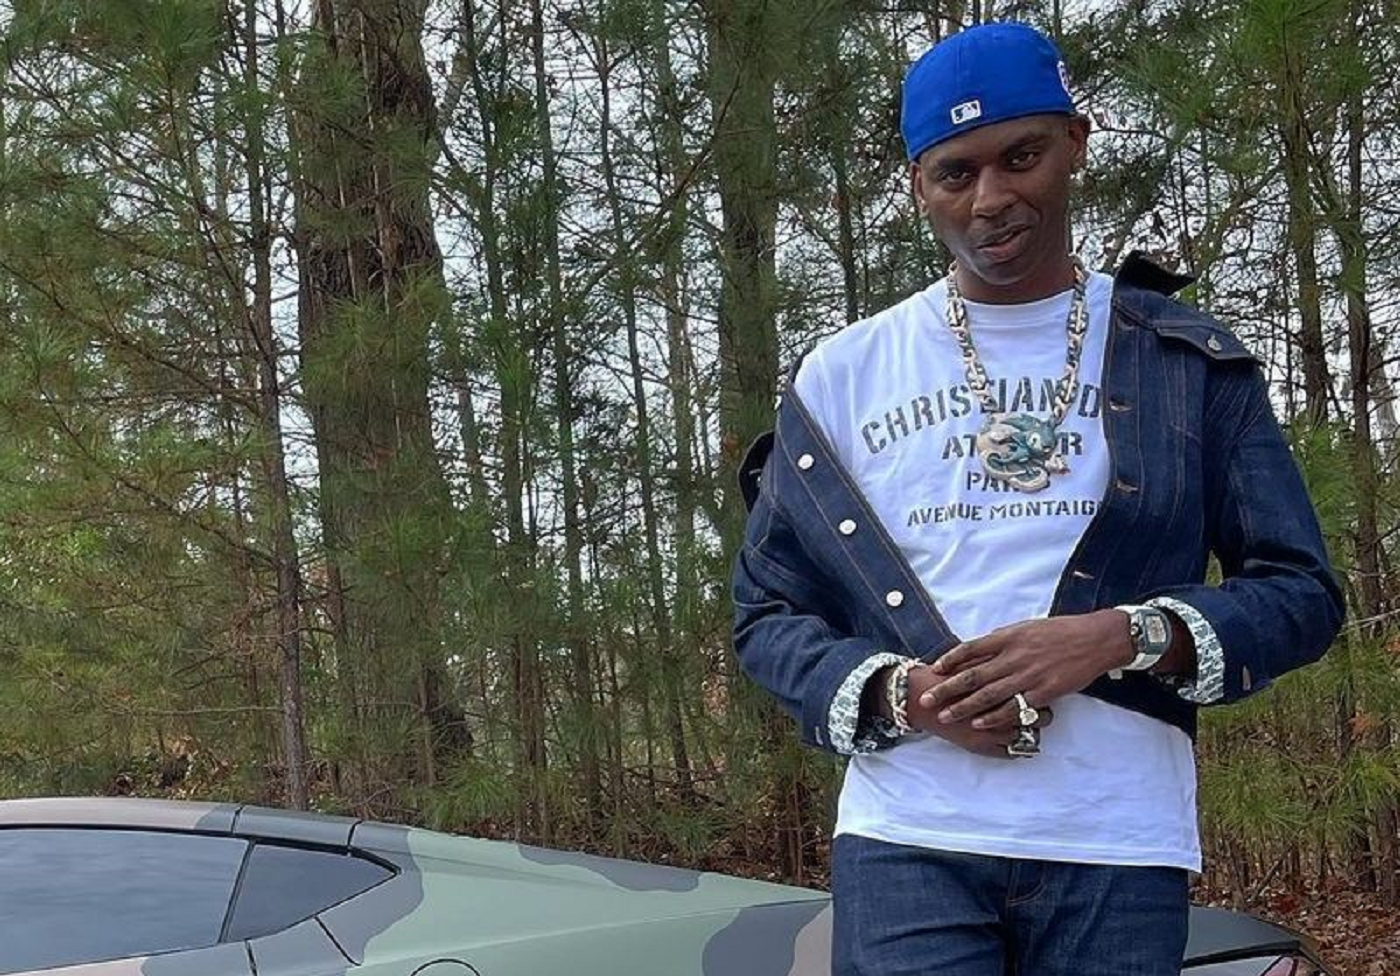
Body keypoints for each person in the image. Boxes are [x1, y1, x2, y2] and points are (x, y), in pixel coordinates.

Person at [731, 21, 1344, 976]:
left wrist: (1121, 636)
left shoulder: (1185, 363)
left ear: (1075, 143)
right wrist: (904, 695)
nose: (991, 198)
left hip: (1117, 841)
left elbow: (1300, 593)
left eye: (1021, 157)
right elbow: (766, 612)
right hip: (907, 838)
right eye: (956, 173)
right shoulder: (842, 375)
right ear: (919, 186)